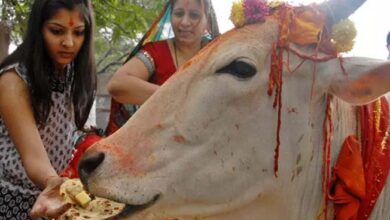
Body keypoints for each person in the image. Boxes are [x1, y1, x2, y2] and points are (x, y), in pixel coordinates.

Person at [0, 0, 96, 219]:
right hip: (13, 199)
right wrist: (54, 183)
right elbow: (33, 157)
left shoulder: (72, 71)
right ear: (38, 29)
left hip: (56, 192)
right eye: (56, 31)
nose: (69, 43)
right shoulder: (13, 79)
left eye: (79, 32)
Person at [105, 0, 220, 135]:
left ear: (208, 21)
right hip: (157, 148)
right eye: (179, 14)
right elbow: (117, 85)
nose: (184, 22)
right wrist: (178, 96)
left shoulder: (219, 53)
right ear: (170, 16)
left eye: (194, 15)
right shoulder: (157, 52)